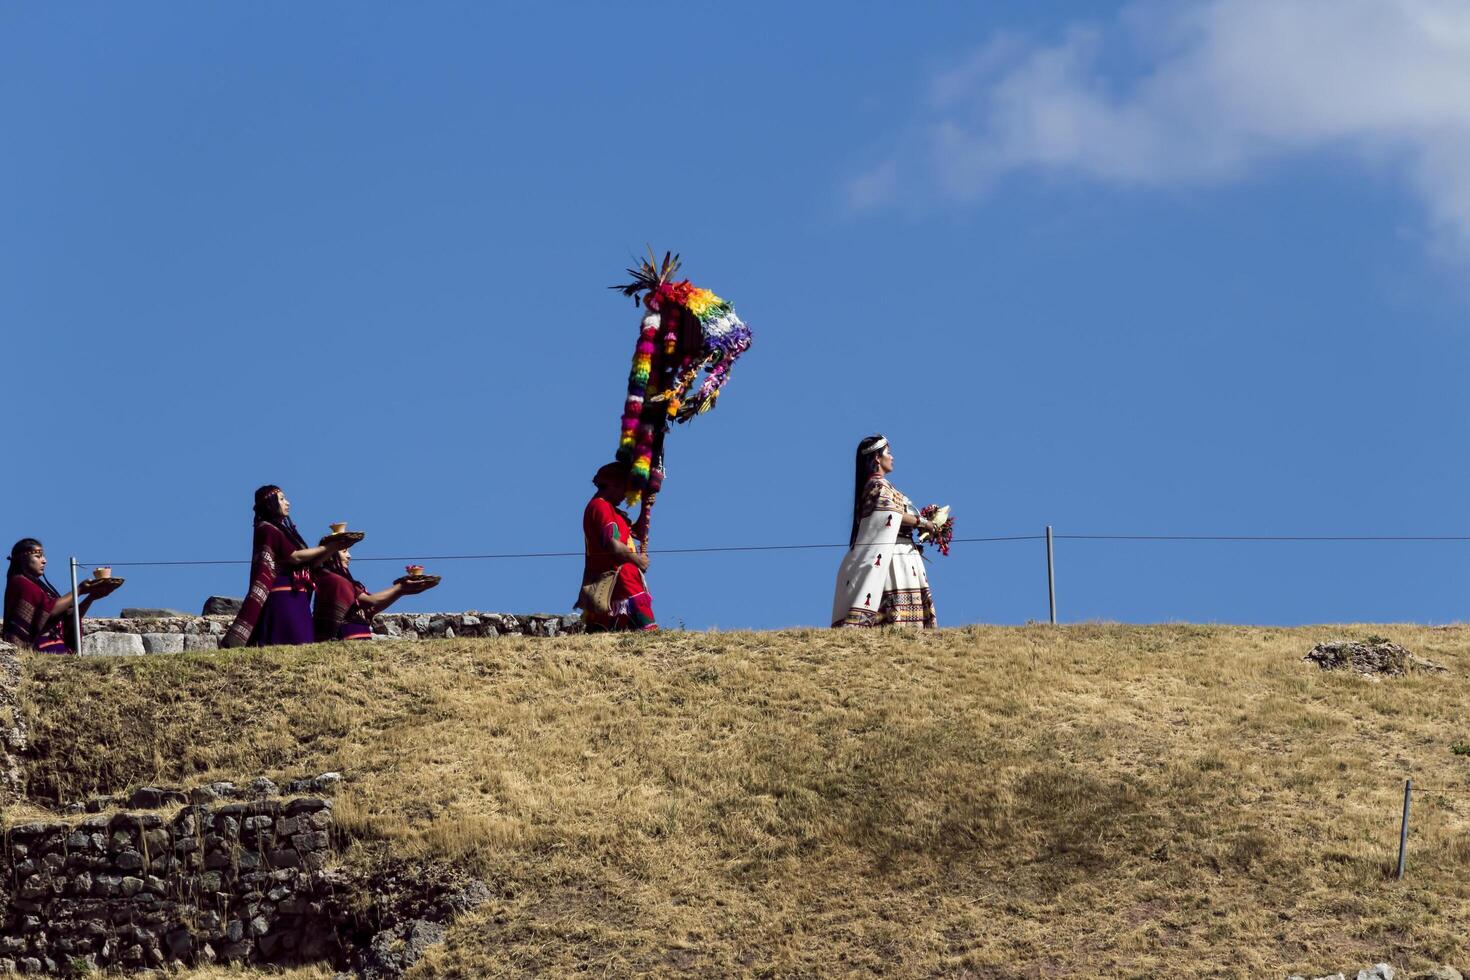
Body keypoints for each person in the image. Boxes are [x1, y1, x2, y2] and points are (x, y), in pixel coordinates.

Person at [831, 435, 939, 628]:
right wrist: (922, 522)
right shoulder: (877, 486)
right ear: (877, 459)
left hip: (901, 553)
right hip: (892, 556)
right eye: (889, 453)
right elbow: (890, 515)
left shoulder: (883, 486)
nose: (893, 457)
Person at [222, 485, 350, 648]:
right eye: (282, 499)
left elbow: (310, 564)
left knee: (303, 645)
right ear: (270, 503)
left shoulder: (286, 531)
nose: (287, 503)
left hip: (299, 598)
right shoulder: (266, 529)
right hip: (282, 597)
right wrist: (329, 548)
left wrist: (334, 548)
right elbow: (294, 557)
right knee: (285, 641)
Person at [574, 462, 657, 632]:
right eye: (624, 488)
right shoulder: (600, 507)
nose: (626, 494)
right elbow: (612, 544)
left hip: (619, 578)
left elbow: (638, 533)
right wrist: (637, 560)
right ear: (612, 484)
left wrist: (645, 506)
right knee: (646, 629)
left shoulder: (611, 509)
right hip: (619, 577)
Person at [4, 538, 120, 653]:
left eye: (43, 556)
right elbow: (49, 613)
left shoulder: (39, 586)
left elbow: (69, 617)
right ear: (22, 559)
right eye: (38, 557)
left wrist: (91, 597)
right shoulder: (20, 583)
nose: (44, 561)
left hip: (58, 650)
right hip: (40, 651)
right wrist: (79, 590)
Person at [312, 550, 437, 641]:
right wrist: (401, 587)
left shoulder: (344, 580)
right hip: (346, 636)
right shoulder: (334, 579)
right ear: (331, 554)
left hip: (359, 635)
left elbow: (371, 609)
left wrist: (401, 591)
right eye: (344, 551)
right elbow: (370, 601)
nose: (349, 556)